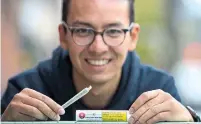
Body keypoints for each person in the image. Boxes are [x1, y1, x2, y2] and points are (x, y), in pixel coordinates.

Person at [1, 0, 198, 123]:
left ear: (133, 37)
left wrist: (190, 121)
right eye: (83, 30)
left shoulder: (159, 91)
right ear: (63, 36)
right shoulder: (24, 92)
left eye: (113, 31)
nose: (98, 47)